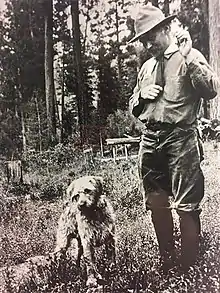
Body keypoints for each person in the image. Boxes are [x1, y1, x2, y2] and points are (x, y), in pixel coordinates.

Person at [128, 3, 219, 272]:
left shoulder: (188, 56)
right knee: (156, 204)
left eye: (151, 36)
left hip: (181, 140)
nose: (147, 44)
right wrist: (140, 97)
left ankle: (190, 265)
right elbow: (134, 101)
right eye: (143, 39)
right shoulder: (145, 67)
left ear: (166, 29)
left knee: (186, 204)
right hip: (150, 141)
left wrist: (189, 56)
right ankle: (167, 260)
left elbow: (211, 89)